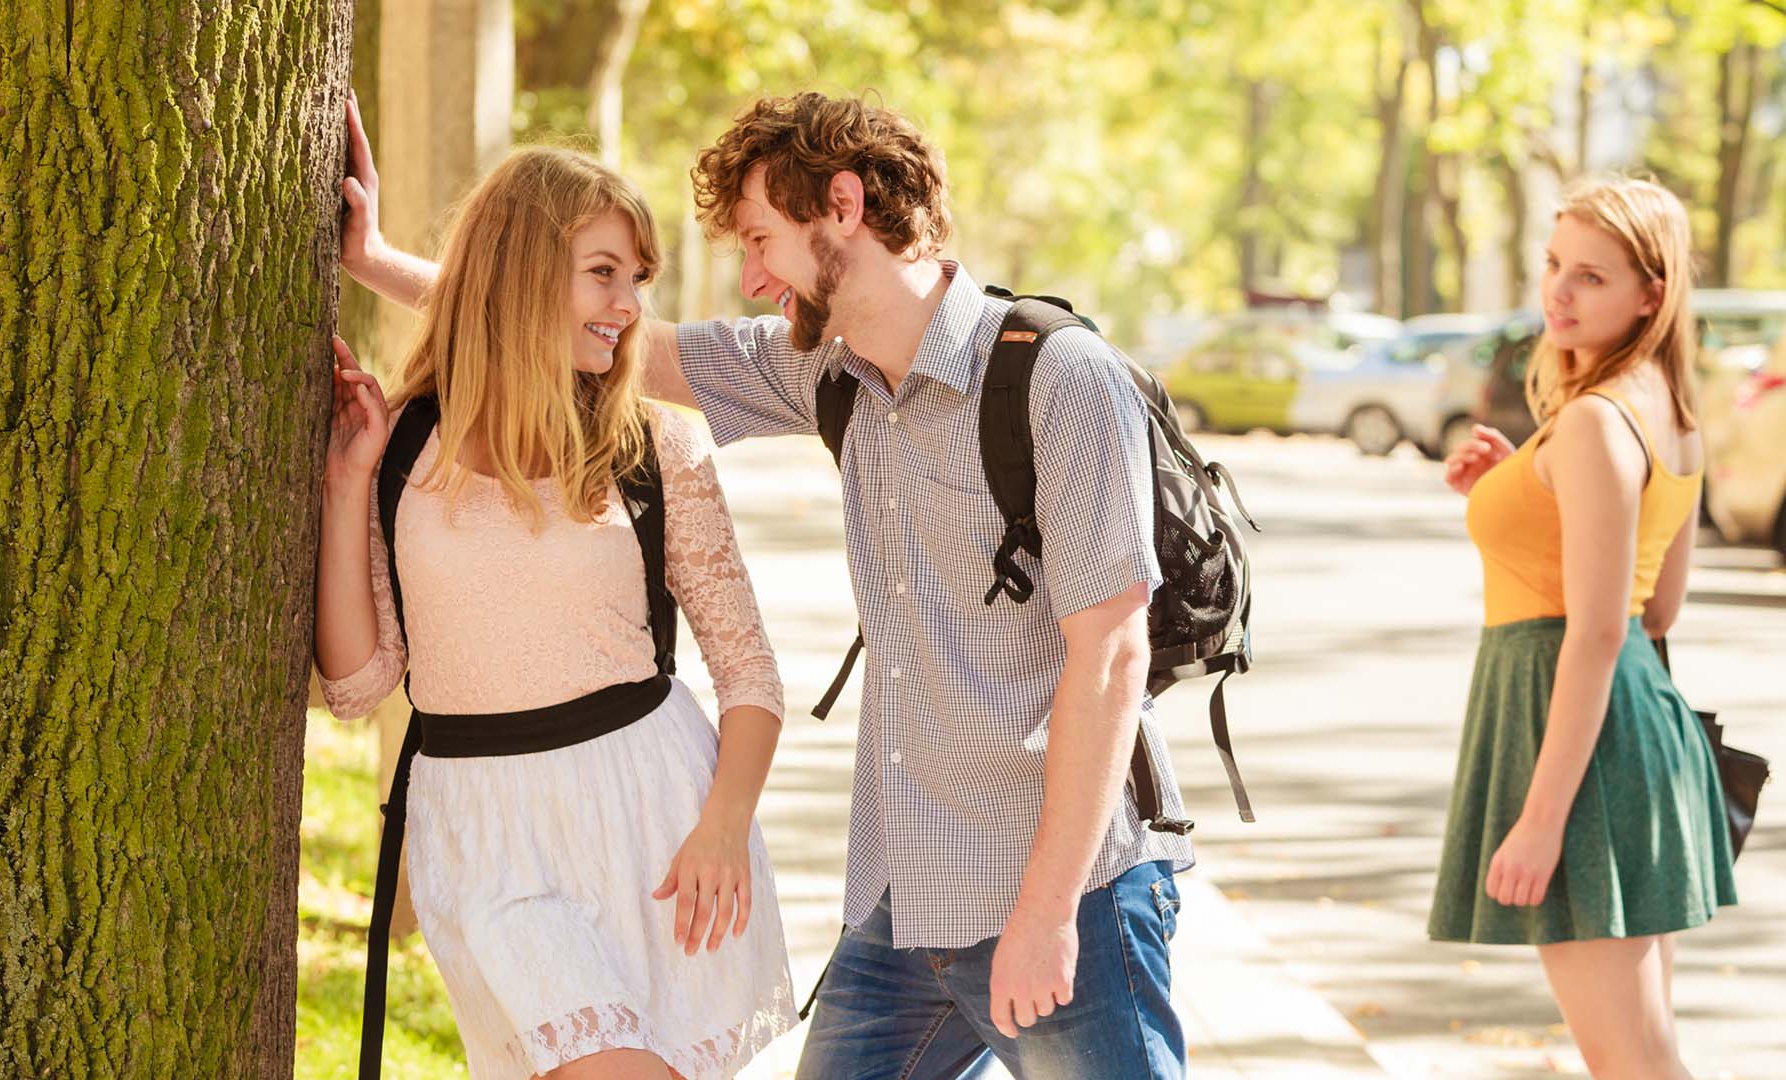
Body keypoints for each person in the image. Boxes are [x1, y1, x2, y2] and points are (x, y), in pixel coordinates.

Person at [344, 90, 1191, 1079]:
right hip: (906, 905)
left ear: (840, 204)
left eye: (759, 239)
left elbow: (1110, 651)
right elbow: (599, 338)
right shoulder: (827, 373)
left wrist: (1047, 912)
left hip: (1068, 892)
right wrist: (374, 262)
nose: (749, 278)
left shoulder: (1060, 378)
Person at [321, 98, 795, 1080]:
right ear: (527, 276)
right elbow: (360, 684)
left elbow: (749, 671)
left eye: (637, 278)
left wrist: (723, 827)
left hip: (657, 828)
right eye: (603, 274)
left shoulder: (654, 449)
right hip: (482, 831)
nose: (628, 306)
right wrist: (346, 484)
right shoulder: (404, 443)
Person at [1428, 175, 1738, 1080]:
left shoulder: (1600, 422)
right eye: (1553, 264)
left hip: (1581, 740)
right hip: (1630, 725)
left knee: (1631, 1064)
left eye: (1591, 277)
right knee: (1645, 1055)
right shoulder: (1661, 412)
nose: (1558, 291)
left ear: (1652, 293)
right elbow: (1659, 607)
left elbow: (1601, 629)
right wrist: (1515, 481)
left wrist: (1539, 820)